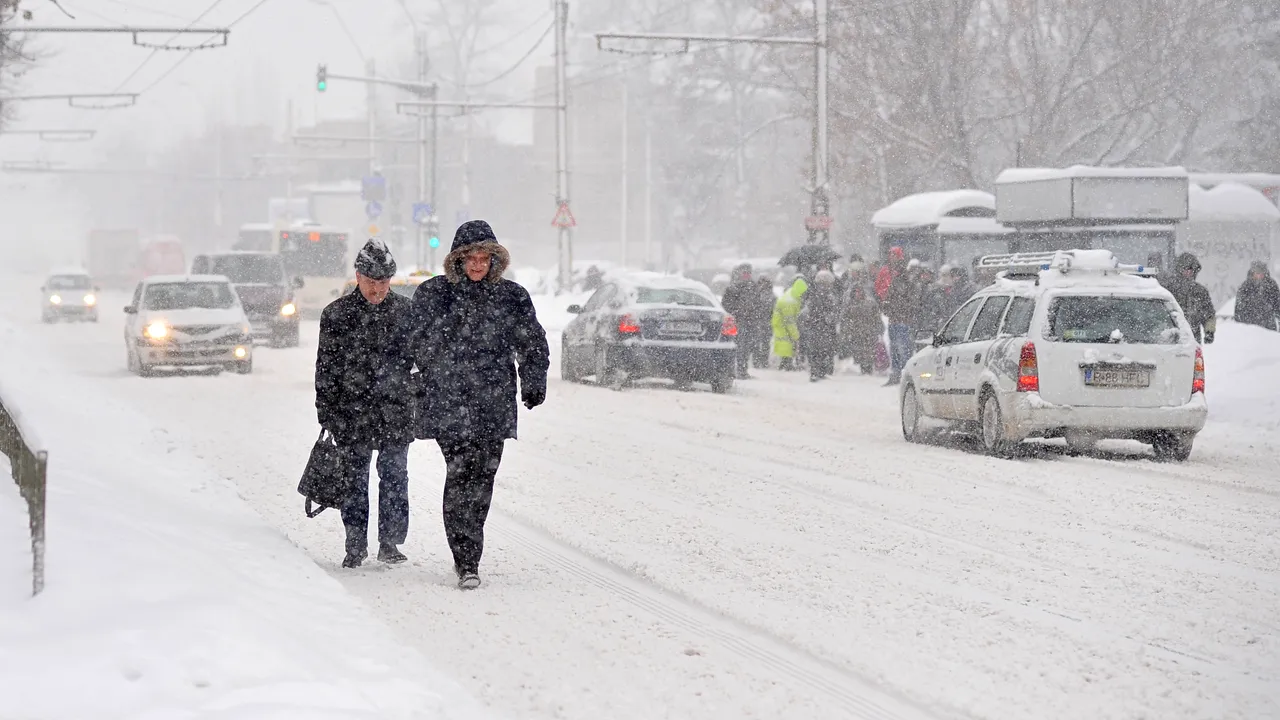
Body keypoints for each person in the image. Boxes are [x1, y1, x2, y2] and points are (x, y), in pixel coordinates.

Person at [411, 220, 549, 589]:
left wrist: (534, 380)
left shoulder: (511, 297)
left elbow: (533, 342)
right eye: (470, 258)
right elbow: (412, 343)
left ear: (494, 260)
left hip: (493, 402)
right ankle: (466, 560)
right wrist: (422, 377)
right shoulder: (434, 294)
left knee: (483, 479)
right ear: (457, 260)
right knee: (460, 475)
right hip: (448, 401)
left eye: (484, 258)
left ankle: (470, 546)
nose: (477, 265)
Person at [315, 239, 416, 569]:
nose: (378, 289)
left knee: (395, 477)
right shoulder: (336, 315)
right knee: (354, 481)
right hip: (351, 413)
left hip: (395, 411)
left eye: (384, 282)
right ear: (358, 277)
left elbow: (422, 364)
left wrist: (413, 394)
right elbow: (326, 368)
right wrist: (327, 411)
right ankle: (355, 544)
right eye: (372, 281)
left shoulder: (406, 313)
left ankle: (390, 543)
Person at [1162, 252, 1216, 343]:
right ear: (1179, 270)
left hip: (1193, 339)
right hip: (1171, 338)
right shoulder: (1169, 289)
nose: (1188, 272)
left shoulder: (1200, 291)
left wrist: (1209, 331)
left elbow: (1209, 314)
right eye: (1185, 269)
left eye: (1191, 269)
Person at [882, 253, 917, 385]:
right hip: (897, 320)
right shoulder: (898, 282)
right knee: (896, 349)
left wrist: (893, 308)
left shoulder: (908, 284)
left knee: (902, 349)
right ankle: (899, 374)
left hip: (901, 321)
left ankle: (903, 375)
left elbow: (912, 303)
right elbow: (889, 299)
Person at [719, 264, 758, 379]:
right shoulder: (733, 288)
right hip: (734, 321)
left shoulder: (753, 287)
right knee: (734, 346)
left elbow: (757, 304)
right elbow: (725, 306)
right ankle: (732, 371)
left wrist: (752, 313)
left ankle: (742, 370)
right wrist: (738, 312)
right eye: (744, 272)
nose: (746, 275)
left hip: (748, 321)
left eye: (748, 272)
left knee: (745, 347)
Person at [801, 270, 841, 381]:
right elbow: (816, 310)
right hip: (821, 326)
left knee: (819, 350)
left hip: (819, 326)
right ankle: (817, 372)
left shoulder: (817, 294)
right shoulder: (821, 295)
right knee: (820, 350)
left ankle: (818, 372)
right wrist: (828, 317)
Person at [843, 282, 883, 375]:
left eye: (859, 291)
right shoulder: (850, 304)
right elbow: (845, 319)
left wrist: (879, 328)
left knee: (869, 351)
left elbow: (876, 317)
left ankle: (868, 368)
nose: (858, 294)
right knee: (859, 351)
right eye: (856, 292)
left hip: (869, 332)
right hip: (856, 332)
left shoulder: (870, 303)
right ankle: (863, 367)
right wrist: (847, 330)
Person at [771, 276, 808, 371]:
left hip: (781, 322)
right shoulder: (790, 301)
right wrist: (796, 335)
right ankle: (786, 364)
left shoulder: (793, 294)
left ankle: (785, 363)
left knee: (786, 343)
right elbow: (789, 321)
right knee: (786, 343)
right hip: (781, 324)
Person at [1233, 260, 1280, 331]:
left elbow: (1277, 305)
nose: (1260, 275)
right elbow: (1239, 308)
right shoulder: (1245, 286)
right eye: (1258, 273)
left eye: (1262, 273)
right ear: (1253, 273)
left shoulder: (1271, 285)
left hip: (1268, 326)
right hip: (1249, 326)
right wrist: (1240, 326)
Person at [751, 277, 776, 368]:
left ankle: (757, 361)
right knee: (764, 343)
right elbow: (774, 310)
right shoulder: (772, 296)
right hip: (766, 322)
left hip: (759, 322)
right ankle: (763, 361)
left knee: (758, 343)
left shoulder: (756, 294)